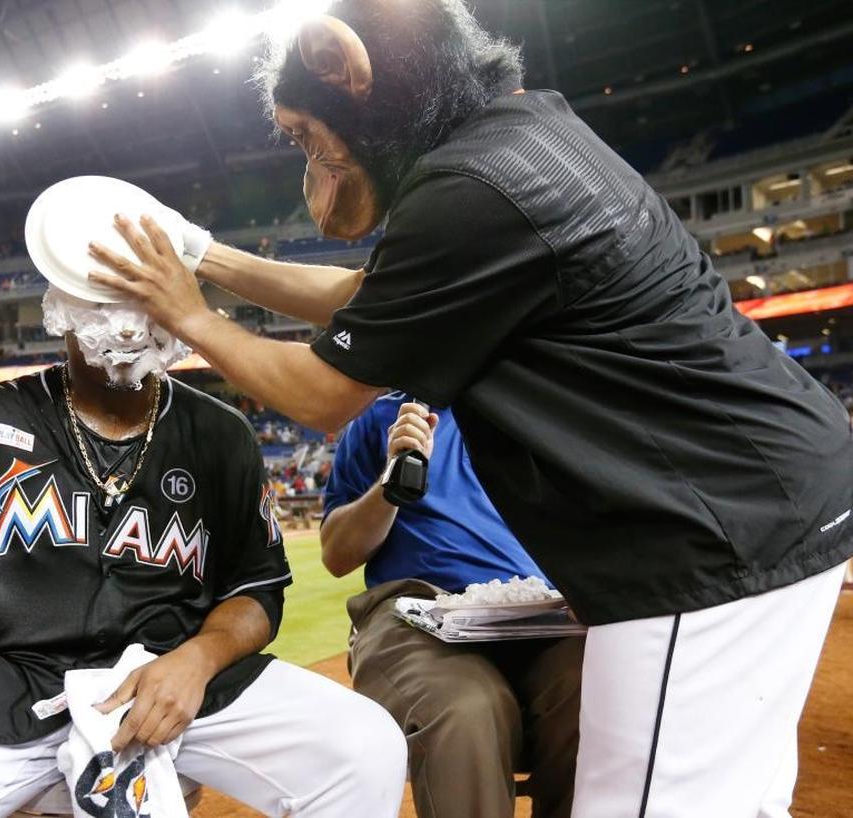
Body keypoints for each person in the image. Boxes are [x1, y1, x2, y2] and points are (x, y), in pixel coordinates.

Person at [82, 2, 853, 815]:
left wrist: (190, 315)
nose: (315, 157)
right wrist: (204, 256)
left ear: (354, 74)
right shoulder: (520, 136)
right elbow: (363, 295)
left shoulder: (472, 188)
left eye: (309, 132)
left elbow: (323, 393)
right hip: (762, 497)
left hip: (711, 535)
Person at [0, 197, 407, 818]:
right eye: (101, 296)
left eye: (144, 294)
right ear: (60, 306)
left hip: (182, 676)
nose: (125, 323)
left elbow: (257, 591)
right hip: (20, 679)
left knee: (365, 747)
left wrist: (197, 661)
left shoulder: (222, 431)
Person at [322, 393, 582, 818]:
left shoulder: (543, 415)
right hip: (415, 608)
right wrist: (392, 485)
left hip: (540, 612)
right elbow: (337, 555)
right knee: (466, 708)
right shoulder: (381, 417)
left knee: (605, 692)